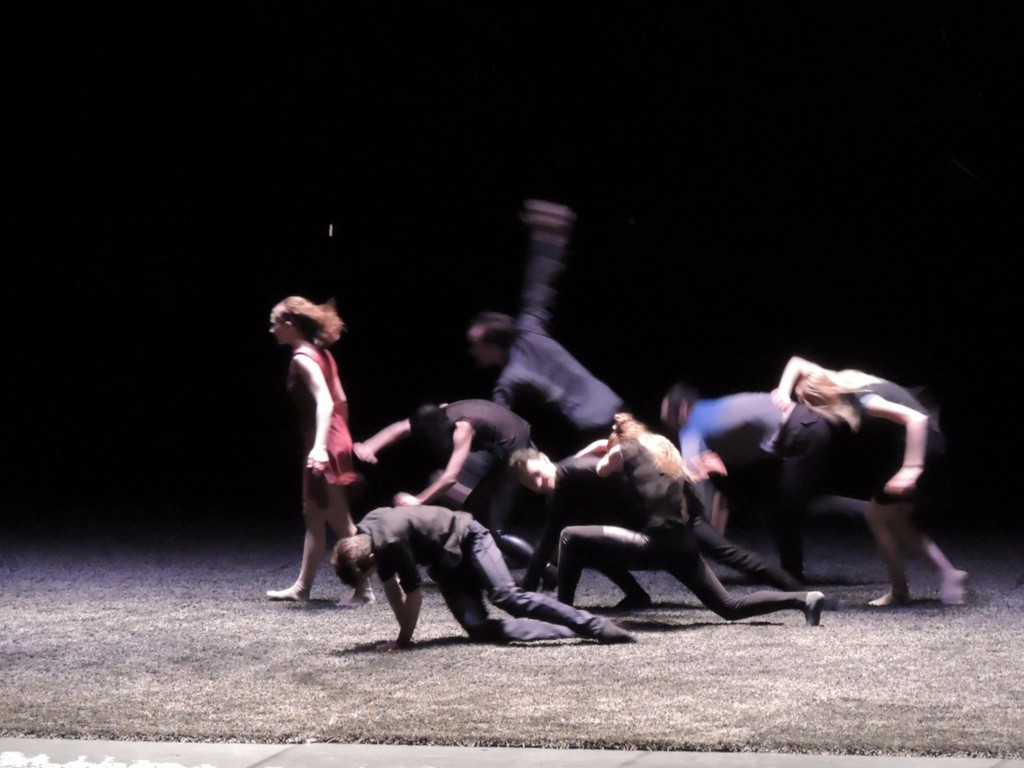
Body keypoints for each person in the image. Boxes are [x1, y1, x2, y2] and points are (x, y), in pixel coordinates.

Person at [555, 414, 828, 627]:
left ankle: (562, 616)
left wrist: (601, 446)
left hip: (654, 544)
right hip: (683, 542)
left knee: (570, 536)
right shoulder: (666, 451)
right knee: (729, 606)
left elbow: (601, 471)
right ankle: (804, 599)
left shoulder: (624, 447)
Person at [772, 356, 967, 606]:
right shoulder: (840, 380)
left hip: (922, 445)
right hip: (928, 443)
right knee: (896, 520)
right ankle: (948, 574)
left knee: (876, 517)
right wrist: (784, 392)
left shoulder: (862, 400)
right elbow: (798, 363)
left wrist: (912, 467)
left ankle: (900, 591)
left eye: (808, 404)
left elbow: (916, 419)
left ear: (820, 401)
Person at [511, 442, 806, 595]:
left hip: (668, 516)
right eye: (530, 484)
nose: (539, 483)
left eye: (537, 474)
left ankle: (799, 591)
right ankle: (636, 596)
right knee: (587, 546)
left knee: (729, 555)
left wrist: (687, 476)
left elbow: (640, 467)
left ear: (545, 459)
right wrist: (527, 585)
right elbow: (549, 536)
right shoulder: (562, 488)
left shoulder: (575, 470)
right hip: (654, 523)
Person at [330, 505, 634, 648]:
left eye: (367, 574)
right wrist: (402, 638)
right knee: (479, 629)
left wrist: (403, 640)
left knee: (507, 596)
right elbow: (391, 588)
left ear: (370, 559)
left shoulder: (390, 542)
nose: (371, 577)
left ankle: (597, 626)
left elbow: (414, 594)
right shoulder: (366, 532)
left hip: (469, 537)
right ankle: (566, 628)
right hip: (447, 564)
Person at [467, 199, 625, 458]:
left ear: (492, 344)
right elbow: (539, 284)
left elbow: (497, 421)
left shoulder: (509, 378)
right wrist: (549, 235)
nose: (472, 351)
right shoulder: (529, 327)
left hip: (594, 426)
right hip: (613, 405)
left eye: (475, 344)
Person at [660, 381, 845, 583]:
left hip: (801, 429)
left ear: (683, 409)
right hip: (805, 425)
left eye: (668, 415)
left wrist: (699, 528)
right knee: (785, 503)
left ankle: (792, 576)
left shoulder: (693, 425)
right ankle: (793, 572)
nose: (666, 421)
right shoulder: (710, 410)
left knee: (788, 508)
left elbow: (690, 477)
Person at [353, 399, 549, 574]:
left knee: (492, 528)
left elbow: (450, 477)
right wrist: (370, 446)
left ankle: (549, 571)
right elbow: (402, 427)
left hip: (513, 448)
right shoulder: (441, 411)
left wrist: (418, 500)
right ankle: (456, 566)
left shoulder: (462, 429)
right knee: (472, 512)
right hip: (510, 433)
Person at [265, 296, 374, 606]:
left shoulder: (303, 358)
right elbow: (342, 401)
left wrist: (321, 446)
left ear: (288, 325)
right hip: (331, 440)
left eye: (274, 324)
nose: (271, 330)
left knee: (341, 522)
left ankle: (366, 589)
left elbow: (326, 402)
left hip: (323, 444)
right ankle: (302, 587)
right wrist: (342, 439)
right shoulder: (322, 354)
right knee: (314, 517)